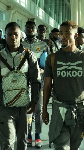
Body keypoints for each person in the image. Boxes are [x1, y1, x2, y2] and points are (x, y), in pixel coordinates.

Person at [42, 20, 84, 149]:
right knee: (61, 147)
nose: (63, 37)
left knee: (74, 147)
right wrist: (44, 109)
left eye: (67, 33)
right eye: (61, 33)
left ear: (76, 36)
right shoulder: (52, 58)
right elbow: (47, 85)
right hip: (59, 111)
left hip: (80, 112)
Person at [0, 22, 41, 150]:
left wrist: (34, 101)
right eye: (9, 34)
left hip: (25, 106)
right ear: (5, 37)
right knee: (7, 142)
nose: (13, 37)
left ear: (21, 37)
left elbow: (36, 81)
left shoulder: (29, 56)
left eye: (16, 34)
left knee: (22, 142)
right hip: (4, 107)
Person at [22, 20, 49, 148]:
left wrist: (43, 70)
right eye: (28, 28)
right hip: (24, 82)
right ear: (25, 29)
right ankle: (28, 136)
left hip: (39, 82)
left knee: (38, 109)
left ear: (35, 29)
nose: (30, 30)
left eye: (32, 28)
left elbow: (48, 64)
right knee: (28, 110)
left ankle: (38, 136)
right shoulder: (21, 45)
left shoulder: (43, 45)